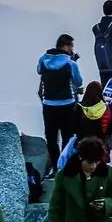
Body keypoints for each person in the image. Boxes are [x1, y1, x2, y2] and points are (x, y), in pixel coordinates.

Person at [48, 137, 112, 222]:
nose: (94, 166)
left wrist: (107, 204)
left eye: (97, 161)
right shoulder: (65, 176)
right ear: (81, 157)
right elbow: (56, 208)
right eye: (90, 162)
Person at [38, 33, 84, 178]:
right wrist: (73, 61)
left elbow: (39, 71)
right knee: (67, 136)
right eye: (71, 47)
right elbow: (79, 82)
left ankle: (55, 168)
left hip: (48, 104)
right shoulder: (70, 63)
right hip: (67, 104)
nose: (72, 50)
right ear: (67, 46)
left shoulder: (43, 59)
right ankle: (64, 167)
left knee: (51, 138)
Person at [75, 81, 112, 161]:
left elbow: (74, 128)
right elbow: (110, 131)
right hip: (100, 146)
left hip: (83, 146)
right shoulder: (108, 108)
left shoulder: (79, 108)